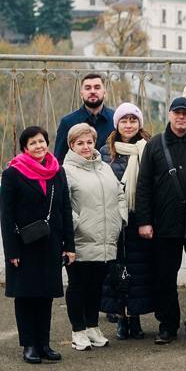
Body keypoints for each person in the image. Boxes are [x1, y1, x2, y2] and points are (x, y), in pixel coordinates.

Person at [135, 96, 186, 345]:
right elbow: (144, 186)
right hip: (164, 222)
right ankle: (167, 325)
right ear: (170, 115)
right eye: (177, 113)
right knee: (164, 276)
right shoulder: (155, 145)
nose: (181, 118)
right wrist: (144, 221)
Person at [1, 126, 75, 364]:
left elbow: (65, 209)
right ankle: (29, 345)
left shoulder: (57, 172)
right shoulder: (13, 174)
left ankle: (44, 343)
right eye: (33, 143)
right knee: (26, 296)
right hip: (24, 244)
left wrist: (69, 245)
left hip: (51, 243)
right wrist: (11, 250)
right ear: (25, 147)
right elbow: (6, 215)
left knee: (45, 295)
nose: (38, 146)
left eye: (42, 141)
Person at [62, 123, 127, 351]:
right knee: (78, 285)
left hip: (106, 238)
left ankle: (92, 326)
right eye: (80, 143)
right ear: (72, 146)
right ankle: (77, 330)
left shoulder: (104, 167)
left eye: (89, 142)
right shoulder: (66, 171)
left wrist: (119, 218)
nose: (86, 147)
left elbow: (120, 193)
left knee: (96, 286)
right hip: (80, 239)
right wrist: (75, 225)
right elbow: (64, 205)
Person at [101, 104, 153, 341]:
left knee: (139, 271)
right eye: (124, 120)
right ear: (117, 124)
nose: (129, 124)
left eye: (133, 120)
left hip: (139, 220)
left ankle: (136, 318)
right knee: (115, 271)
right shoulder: (104, 152)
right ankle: (120, 318)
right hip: (114, 221)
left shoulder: (148, 149)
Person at [54, 72, 115, 161]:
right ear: (81, 94)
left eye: (97, 87)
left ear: (104, 92)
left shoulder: (115, 120)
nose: (93, 91)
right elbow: (59, 159)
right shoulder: (67, 122)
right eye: (88, 88)